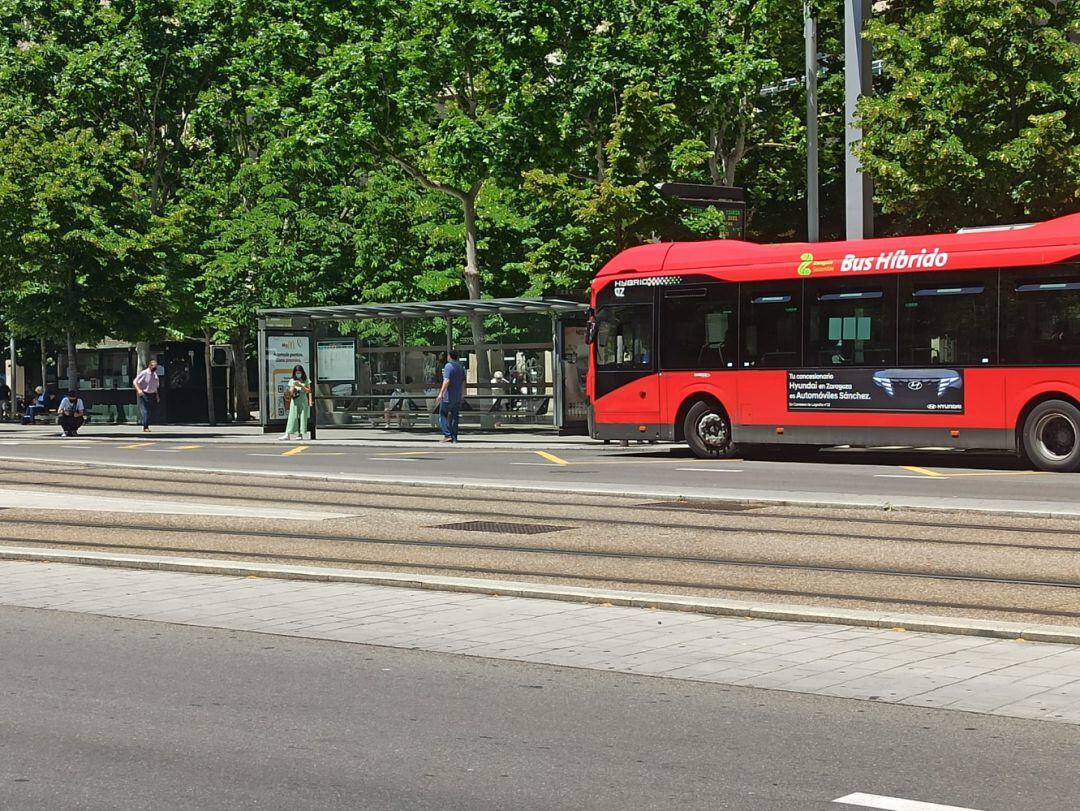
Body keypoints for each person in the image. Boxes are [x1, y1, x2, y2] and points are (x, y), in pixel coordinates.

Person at [436, 350, 466, 443]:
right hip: (457, 396)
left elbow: (446, 380)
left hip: (448, 396)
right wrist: (463, 394)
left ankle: (447, 434)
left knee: (442, 414)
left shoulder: (448, 366)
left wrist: (441, 393)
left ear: (449, 356)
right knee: (454, 417)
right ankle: (454, 437)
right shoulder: (461, 367)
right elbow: (463, 382)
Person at [280, 364, 313, 441]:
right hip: (294, 399)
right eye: (296, 372)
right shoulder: (292, 380)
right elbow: (290, 392)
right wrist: (293, 387)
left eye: (299, 372)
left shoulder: (306, 380)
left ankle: (300, 434)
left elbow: (309, 391)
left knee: (302, 417)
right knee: (292, 416)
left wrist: (301, 385)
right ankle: (287, 434)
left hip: (303, 399)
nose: (298, 374)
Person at [133, 359, 161, 433]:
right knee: (146, 411)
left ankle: (147, 424)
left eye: (156, 366)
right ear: (149, 366)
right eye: (153, 366)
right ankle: (145, 427)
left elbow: (156, 386)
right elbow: (135, 381)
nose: (154, 368)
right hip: (145, 394)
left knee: (151, 411)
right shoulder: (144, 373)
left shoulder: (155, 374)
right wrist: (139, 390)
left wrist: (157, 396)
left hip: (152, 394)